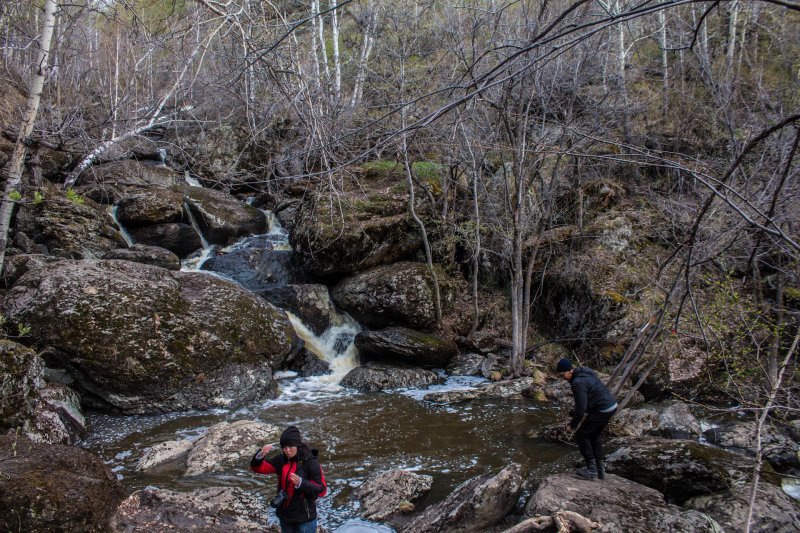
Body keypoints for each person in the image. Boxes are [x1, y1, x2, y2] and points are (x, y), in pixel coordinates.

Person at [251, 426, 327, 532]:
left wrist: (301, 483)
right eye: (284, 447)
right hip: (285, 516)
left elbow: (321, 490)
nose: (287, 450)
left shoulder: (310, 462)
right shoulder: (281, 460)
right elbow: (258, 468)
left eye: (290, 447)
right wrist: (261, 454)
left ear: (297, 445)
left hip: (305, 518)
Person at [555, 358, 618, 480]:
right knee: (594, 435)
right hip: (611, 406)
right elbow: (588, 398)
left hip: (603, 408)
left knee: (581, 434)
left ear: (570, 371)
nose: (563, 377)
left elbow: (581, 408)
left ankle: (591, 469)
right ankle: (600, 469)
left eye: (563, 375)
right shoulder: (585, 372)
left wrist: (572, 426)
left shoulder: (577, 383)